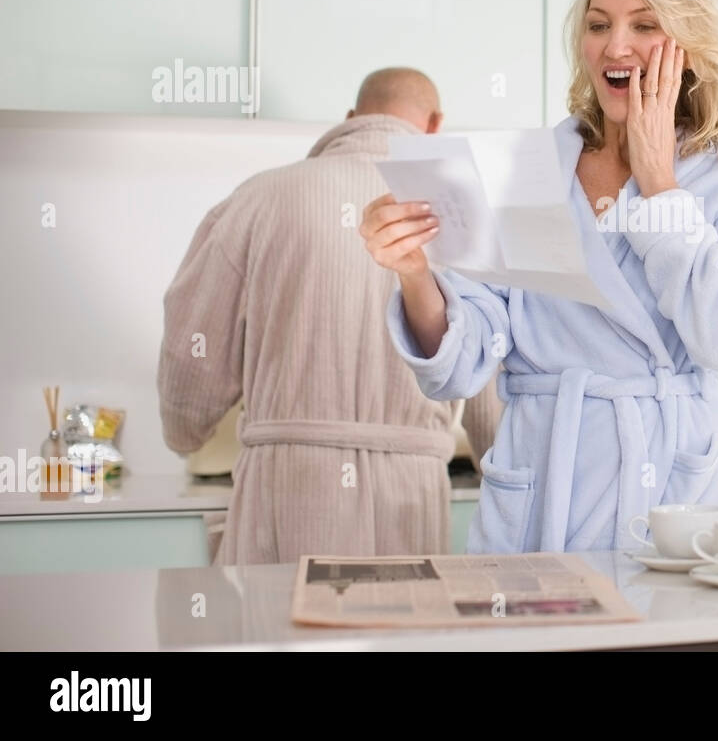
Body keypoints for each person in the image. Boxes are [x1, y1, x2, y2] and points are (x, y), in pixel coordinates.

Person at [361, 0, 718, 553]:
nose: (615, 46)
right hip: (545, 480)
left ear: (688, 46)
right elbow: (460, 364)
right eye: (597, 25)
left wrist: (659, 182)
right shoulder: (531, 169)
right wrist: (414, 274)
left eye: (643, 25)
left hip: (673, 484)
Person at [158, 68, 503, 564]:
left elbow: (191, 347)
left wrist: (182, 432)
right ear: (435, 126)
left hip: (284, 487)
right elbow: (488, 387)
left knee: (281, 632)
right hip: (409, 496)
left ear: (350, 119)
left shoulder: (259, 197)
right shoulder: (461, 220)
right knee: (394, 635)